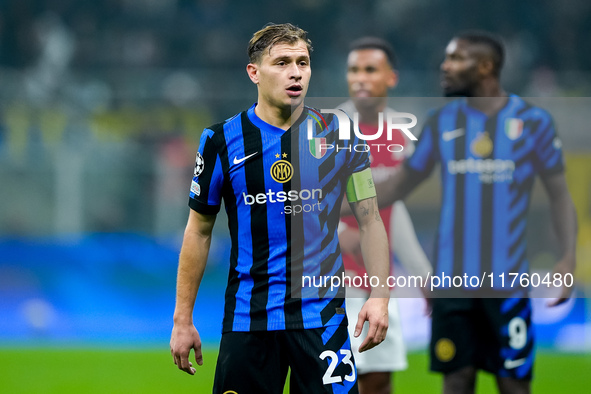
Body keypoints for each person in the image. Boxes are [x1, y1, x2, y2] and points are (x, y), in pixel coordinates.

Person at [170, 23, 391, 394]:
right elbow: (199, 230)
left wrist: (380, 295)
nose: (295, 72)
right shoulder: (220, 140)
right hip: (248, 318)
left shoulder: (340, 133)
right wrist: (182, 318)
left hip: (323, 318)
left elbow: (370, 221)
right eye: (282, 62)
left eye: (302, 62)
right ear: (254, 73)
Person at [375, 31, 578, 394]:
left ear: (485, 67)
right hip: (452, 284)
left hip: (508, 284)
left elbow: (560, 195)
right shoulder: (441, 122)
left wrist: (567, 258)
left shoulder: (532, 122)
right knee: (456, 382)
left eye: (455, 59)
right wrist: (337, 204)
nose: (444, 66)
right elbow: (400, 184)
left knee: (513, 385)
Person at [337, 37, 432, 394]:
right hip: (334, 276)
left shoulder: (400, 135)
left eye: (370, 70)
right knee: (336, 378)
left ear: (391, 78)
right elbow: (303, 201)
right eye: (353, 70)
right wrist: (334, 233)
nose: (360, 78)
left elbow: (393, 209)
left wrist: (423, 273)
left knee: (379, 380)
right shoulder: (328, 129)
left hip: (379, 279)